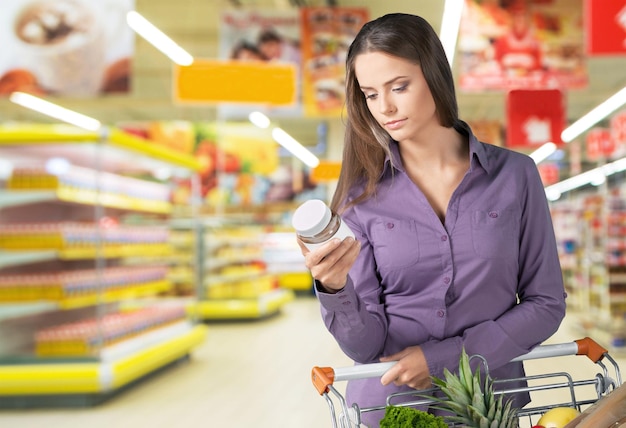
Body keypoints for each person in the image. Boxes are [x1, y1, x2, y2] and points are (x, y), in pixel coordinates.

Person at [296, 12, 566, 428]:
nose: (384, 107)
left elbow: (546, 304)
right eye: (370, 94)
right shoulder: (361, 198)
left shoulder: (515, 175)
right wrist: (334, 288)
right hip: (392, 409)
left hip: (489, 406)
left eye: (399, 87)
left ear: (435, 76)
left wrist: (443, 359)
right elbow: (364, 347)